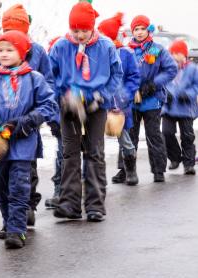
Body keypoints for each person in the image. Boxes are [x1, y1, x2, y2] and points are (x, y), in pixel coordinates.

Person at [50, 2, 123, 222]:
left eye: (84, 30)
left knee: (94, 153)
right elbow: (50, 76)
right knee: (69, 153)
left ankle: (95, 205)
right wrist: (61, 97)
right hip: (70, 105)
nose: (80, 35)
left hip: (95, 106)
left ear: (92, 27)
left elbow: (116, 75)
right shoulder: (61, 46)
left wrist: (102, 95)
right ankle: (70, 203)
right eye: (76, 30)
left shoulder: (106, 46)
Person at [0, 4, 58, 225]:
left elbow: (49, 93)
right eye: (2, 49)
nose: (4, 54)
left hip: (25, 133)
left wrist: (31, 120)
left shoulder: (35, 71)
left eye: (10, 49)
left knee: (22, 179)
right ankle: (10, 220)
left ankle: (20, 221)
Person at [127, 15, 178, 182]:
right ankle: (129, 171)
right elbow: (120, 73)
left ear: (148, 30)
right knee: (130, 136)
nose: (139, 32)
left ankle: (158, 170)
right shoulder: (128, 50)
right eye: (136, 29)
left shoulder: (156, 49)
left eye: (142, 28)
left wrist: (153, 84)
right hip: (132, 100)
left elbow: (171, 69)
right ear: (132, 31)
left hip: (152, 99)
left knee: (153, 135)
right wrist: (129, 89)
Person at [98, 13, 141, 186]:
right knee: (95, 142)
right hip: (100, 104)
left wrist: (126, 95)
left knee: (125, 139)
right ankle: (96, 177)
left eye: (102, 32)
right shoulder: (97, 52)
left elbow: (133, 77)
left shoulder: (126, 54)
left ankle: (130, 170)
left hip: (119, 106)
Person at [162, 39, 197, 175]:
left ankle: (189, 164)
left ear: (184, 54)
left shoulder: (193, 69)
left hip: (186, 108)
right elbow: (162, 83)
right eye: (172, 53)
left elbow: (196, 86)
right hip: (169, 107)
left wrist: (188, 94)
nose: (174, 56)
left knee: (187, 136)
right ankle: (175, 158)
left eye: (177, 53)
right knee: (167, 133)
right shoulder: (167, 68)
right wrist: (166, 95)